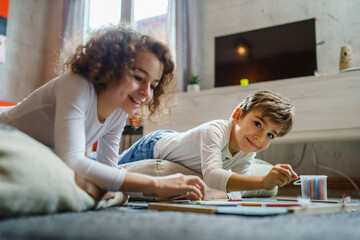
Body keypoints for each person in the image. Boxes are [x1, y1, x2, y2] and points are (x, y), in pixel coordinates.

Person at [0, 24, 205, 201]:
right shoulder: (76, 84)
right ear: (111, 66)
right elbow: (72, 162)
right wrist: (157, 183)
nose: (146, 93)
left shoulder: (118, 112)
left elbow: (108, 168)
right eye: (138, 77)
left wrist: (160, 189)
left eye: (153, 85)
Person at [113, 90, 299, 199]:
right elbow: (212, 176)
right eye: (257, 124)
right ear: (237, 116)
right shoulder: (215, 130)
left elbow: (238, 191)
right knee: (107, 164)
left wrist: (209, 196)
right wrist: (263, 182)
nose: (260, 137)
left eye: (270, 135)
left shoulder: (248, 150)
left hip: (179, 142)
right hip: (153, 147)